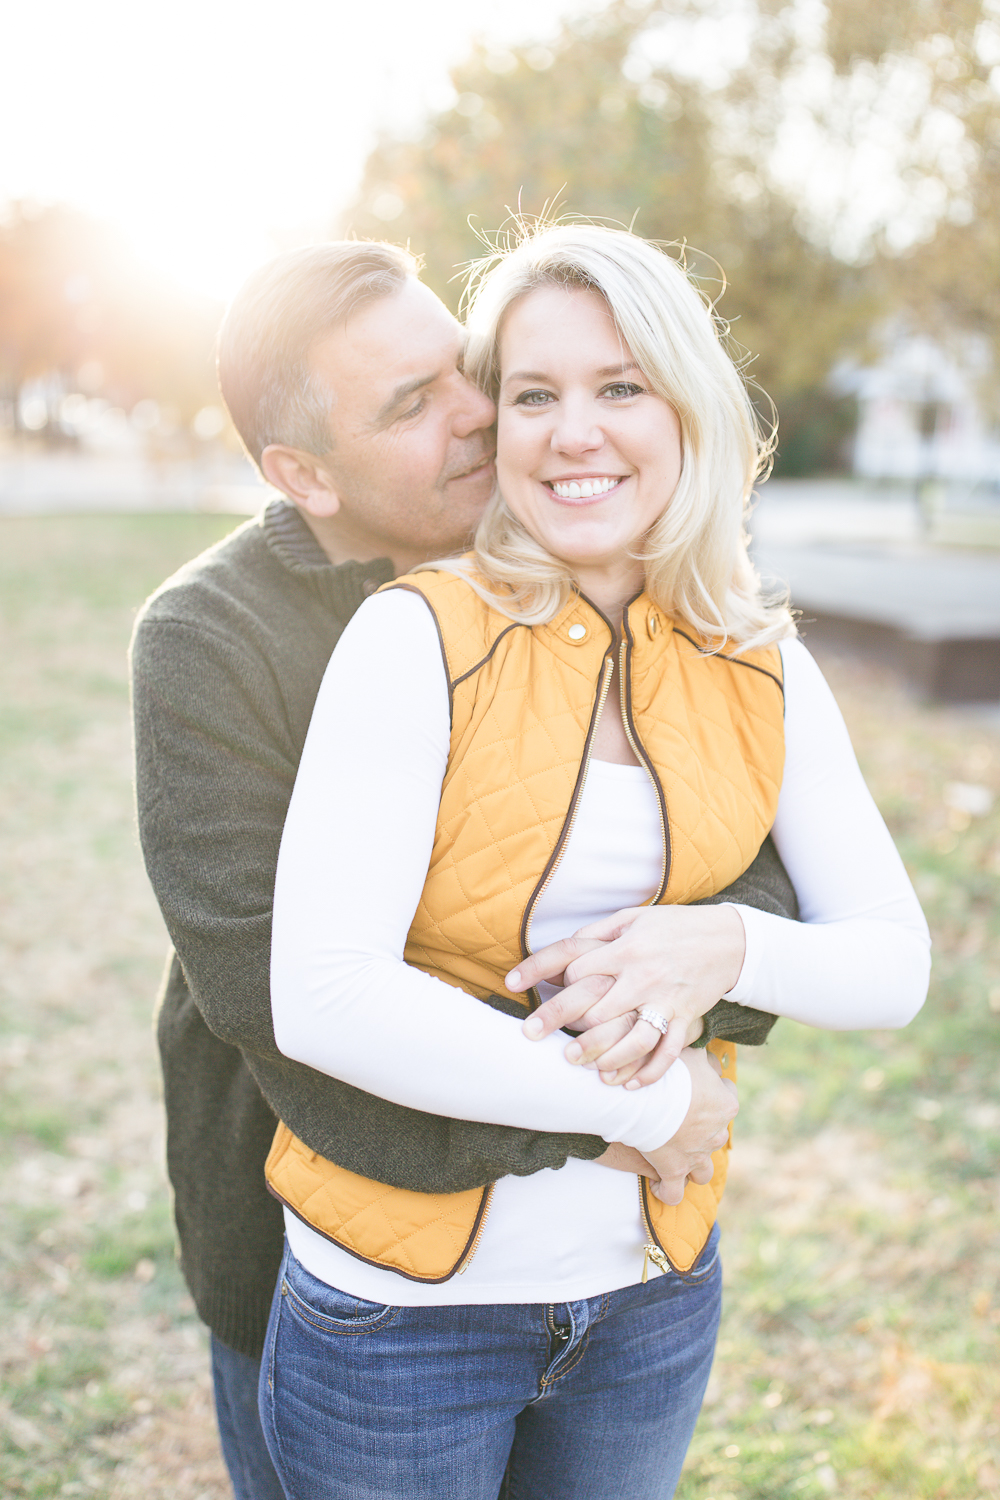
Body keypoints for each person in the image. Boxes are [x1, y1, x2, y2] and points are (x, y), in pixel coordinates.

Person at [262, 224, 931, 1500]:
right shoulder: (416, 637)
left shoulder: (757, 658)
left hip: (649, 1303)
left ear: (687, 404)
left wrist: (723, 945)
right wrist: (648, 1107)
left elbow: (892, 965)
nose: (576, 432)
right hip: (400, 1317)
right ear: (497, 425)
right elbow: (326, 995)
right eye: (534, 394)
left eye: (619, 385)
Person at [130, 238, 788, 1499]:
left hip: (595, 1266)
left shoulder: (573, 549)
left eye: (464, 370)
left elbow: (742, 844)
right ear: (300, 473)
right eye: (410, 404)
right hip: (307, 1236)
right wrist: (622, 1114)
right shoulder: (209, 638)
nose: (483, 415)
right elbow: (277, 992)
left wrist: (708, 970)